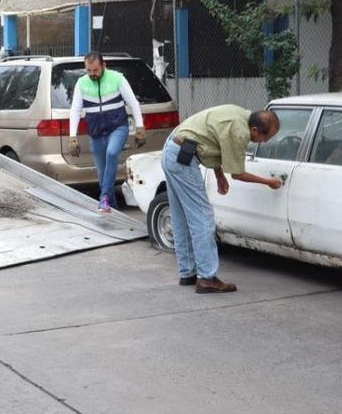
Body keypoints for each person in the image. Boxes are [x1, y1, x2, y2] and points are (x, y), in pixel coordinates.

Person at [164, 106, 281, 293]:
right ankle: (207, 278)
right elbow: (238, 174)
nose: (265, 142)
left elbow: (213, 142)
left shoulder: (242, 114)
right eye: (265, 138)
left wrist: (219, 175)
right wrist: (268, 182)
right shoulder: (240, 132)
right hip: (183, 157)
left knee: (181, 216)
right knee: (202, 217)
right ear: (255, 130)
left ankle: (188, 273)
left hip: (174, 148)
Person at [68, 51, 145, 212]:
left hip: (118, 127)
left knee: (111, 153)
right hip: (96, 133)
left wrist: (140, 127)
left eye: (95, 70)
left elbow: (133, 102)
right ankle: (112, 209)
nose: (92, 74)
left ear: (104, 66)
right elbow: (75, 110)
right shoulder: (81, 83)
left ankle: (103, 198)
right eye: (88, 71)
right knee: (103, 176)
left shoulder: (117, 78)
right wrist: (72, 137)